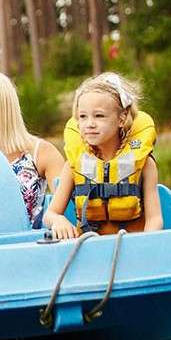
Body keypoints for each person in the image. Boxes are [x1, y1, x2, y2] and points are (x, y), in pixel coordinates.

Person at [42, 73, 163, 239]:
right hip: (89, 249)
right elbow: (50, 214)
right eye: (83, 116)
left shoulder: (146, 165)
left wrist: (144, 247)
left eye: (99, 116)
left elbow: (155, 220)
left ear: (122, 118)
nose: (90, 124)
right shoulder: (72, 166)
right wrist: (58, 220)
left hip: (132, 248)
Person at [0, 65, 66, 228]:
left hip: (29, 248)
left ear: (3, 97)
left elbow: (69, 210)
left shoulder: (40, 152)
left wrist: (57, 220)